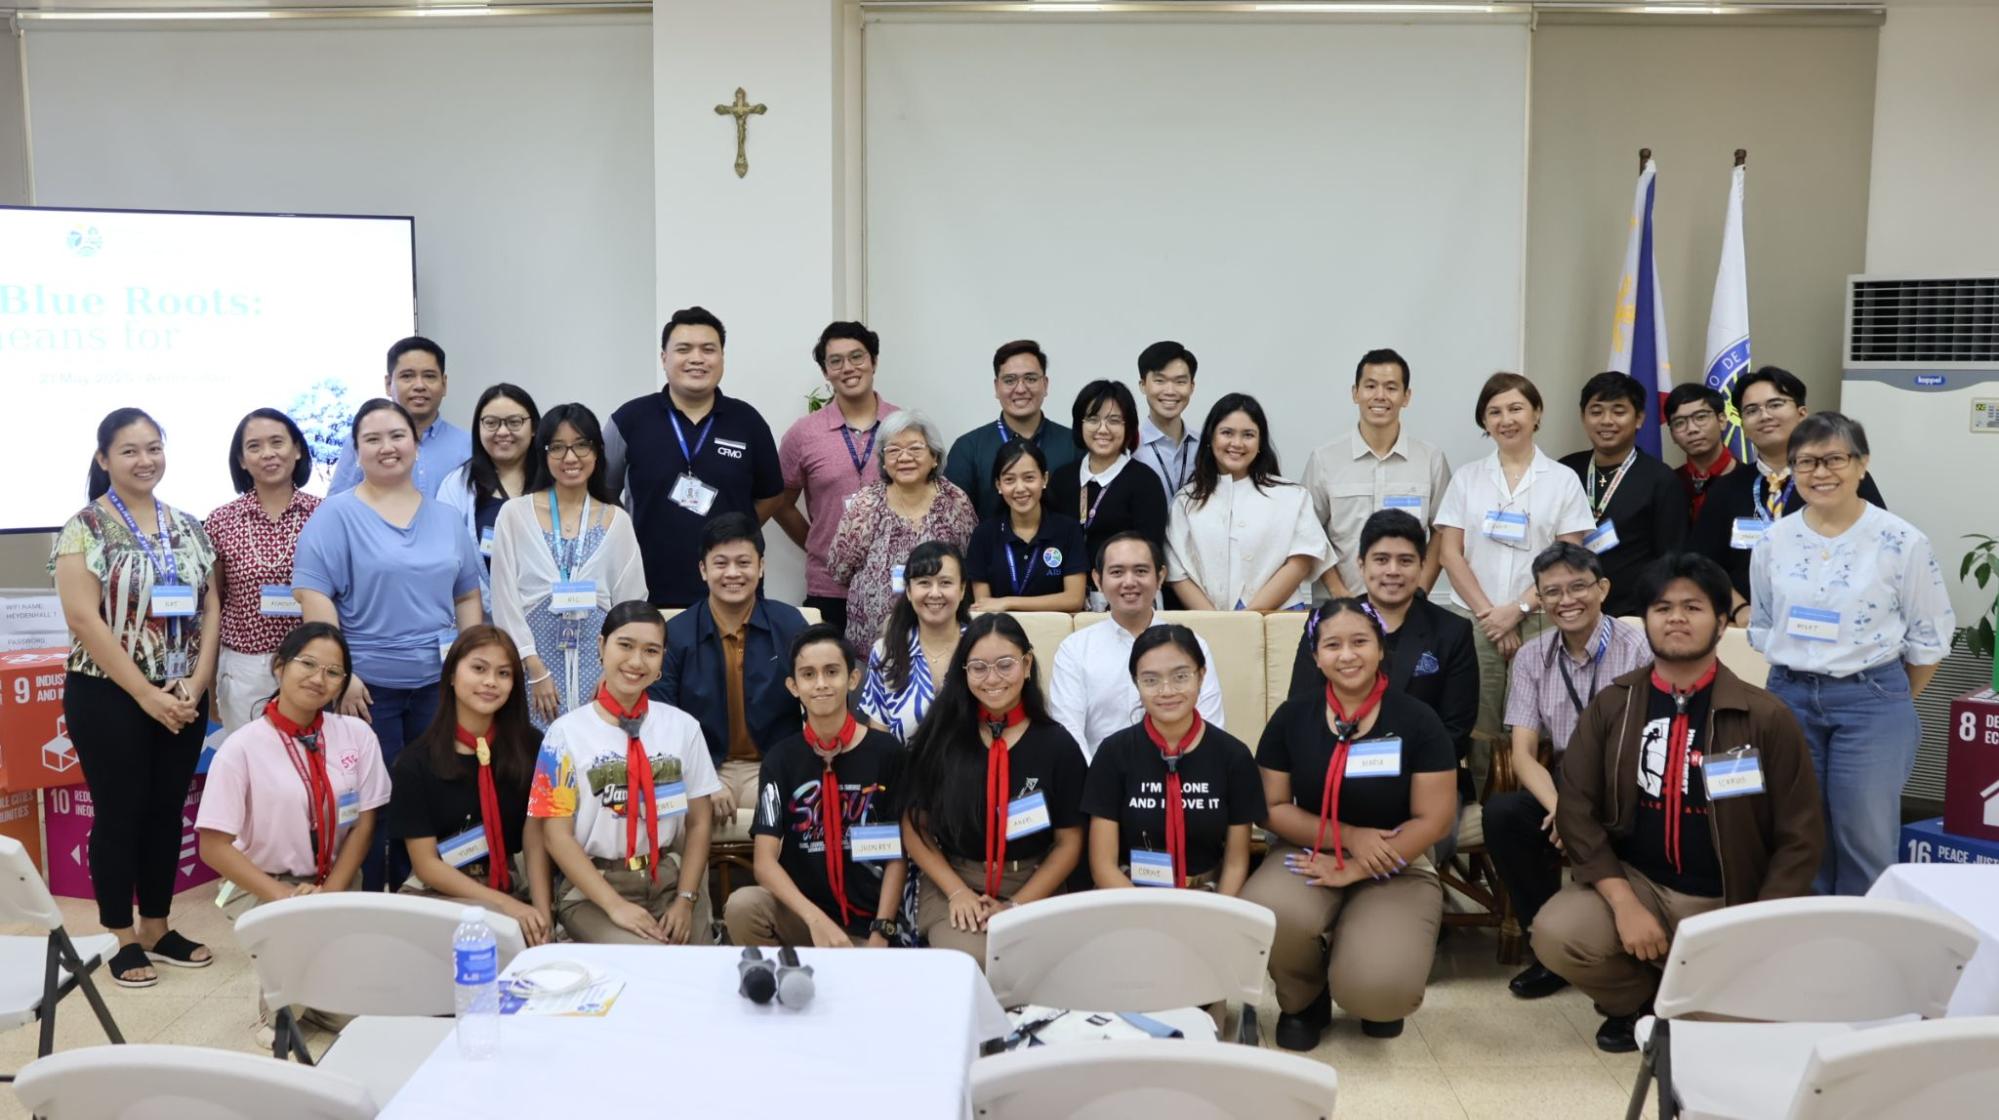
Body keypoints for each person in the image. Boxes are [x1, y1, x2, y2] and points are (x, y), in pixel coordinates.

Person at [1536, 553, 1824, 1052]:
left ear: (1719, 622)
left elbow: (1801, 834)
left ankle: (1692, 1001)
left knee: (1719, 1041)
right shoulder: (1616, 705)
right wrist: (1624, 903)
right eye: (1662, 607)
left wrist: (1756, 924)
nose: (1676, 618)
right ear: (1644, 619)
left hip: (1727, 896)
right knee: (1558, 932)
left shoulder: (1764, 716)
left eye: (1693, 607)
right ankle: (1639, 1003)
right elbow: (1576, 810)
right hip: (1641, 885)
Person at [1750, 412, 1953, 896]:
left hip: (1871, 701)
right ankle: (1817, 944)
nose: (1820, 473)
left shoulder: (1901, 540)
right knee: (1801, 833)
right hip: (1789, 696)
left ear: (1862, 465)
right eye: (1805, 462)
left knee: (1865, 837)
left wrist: (1887, 695)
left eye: (1834, 459)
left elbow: (1930, 637)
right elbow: (1762, 623)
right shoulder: (1773, 540)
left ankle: (1867, 957)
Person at [53, 408, 221, 987]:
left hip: (182, 693)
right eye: (129, 450)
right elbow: (83, 618)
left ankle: (157, 925)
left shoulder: (188, 525)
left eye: (154, 448)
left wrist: (197, 684)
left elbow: (210, 606)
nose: (145, 460)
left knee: (166, 810)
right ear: (104, 459)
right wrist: (146, 693)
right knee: (120, 812)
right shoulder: (85, 528)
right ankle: (120, 936)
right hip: (110, 695)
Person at [1243, 600, 1457, 1048]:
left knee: (1381, 992)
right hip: (1309, 850)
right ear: (1316, 656)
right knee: (1270, 911)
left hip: (1397, 856)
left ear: (1380, 648)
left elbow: (1435, 817)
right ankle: (1304, 998)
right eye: (1332, 644)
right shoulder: (1291, 717)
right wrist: (1351, 838)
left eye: (1360, 641)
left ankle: (1363, 983)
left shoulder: (1418, 720)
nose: (1347, 655)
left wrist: (1361, 863)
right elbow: (1273, 808)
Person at [294, 398, 483, 890]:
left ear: (416, 445)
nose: (387, 447)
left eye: (397, 436)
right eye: (372, 439)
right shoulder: (336, 516)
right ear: (356, 451)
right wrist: (342, 673)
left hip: (438, 686)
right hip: (366, 689)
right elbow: (314, 594)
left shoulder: (444, 518)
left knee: (436, 791)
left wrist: (469, 667)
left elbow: (466, 594)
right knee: (375, 800)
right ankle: (379, 900)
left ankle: (430, 893)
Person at [1482, 542, 1651, 1000]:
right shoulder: (1532, 657)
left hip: (1627, 781)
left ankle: (1630, 944)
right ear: (1538, 597)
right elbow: (1521, 753)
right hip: (1564, 782)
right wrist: (1564, 810)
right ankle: (1548, 949)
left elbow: (1648, 742)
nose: (1566, 600)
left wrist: (1583, 811)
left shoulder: (1639, 647)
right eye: (1551, 591)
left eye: (1578, 587)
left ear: (1603, 589)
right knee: (1504, 814)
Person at [897, 613, 1086, 962]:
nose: (992, 679)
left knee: (1035, 968)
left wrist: (1017, 905)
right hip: (955, 881)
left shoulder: (1057, 745)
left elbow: (1069, 842)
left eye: (1005, 665)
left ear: (1027, 665)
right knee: (977, 964)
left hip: (1033, 884)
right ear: (963, 671)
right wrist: (957, 892)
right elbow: (913, 826)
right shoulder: (942, 737)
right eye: (979, 667)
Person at [529, 601, 721, 943]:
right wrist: (614, 905)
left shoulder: (683, 728)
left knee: (700, 968)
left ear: (663, 660)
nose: (636, 661)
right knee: (647, 962)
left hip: (668, 879)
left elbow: (699, 823)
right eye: (625, 645)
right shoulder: (564, 734)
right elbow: (555, 835)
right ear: (602, 647)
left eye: (651, 650)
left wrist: (685, 899)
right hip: (594, 889)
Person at [1435, 372, 1595, 751]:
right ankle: (1481, 807)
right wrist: (1492, 615)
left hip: (1543, 619)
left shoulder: (1562, 480)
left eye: (1515, 408)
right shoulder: (1467, 478)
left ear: (1536, 414)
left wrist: (1518, 608)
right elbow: (1449, 553)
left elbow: (1568, 559)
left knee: (1542, 722)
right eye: (1494, 412)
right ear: (1484, 422)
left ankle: (1535, 803)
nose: (1505, 419)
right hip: (1476, 620)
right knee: (1478, 722)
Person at [1284, 512, 1477, 827]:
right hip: (1332, 773)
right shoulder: (1326, 624)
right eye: (1381, 559)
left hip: (1420, 782)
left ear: (1422, 565)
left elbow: (1454, 730)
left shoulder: (1452, 632)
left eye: (1405, 561)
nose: (1392, 571)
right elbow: (1301, 708)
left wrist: (1386, 776)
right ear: (1361, 565)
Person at [727, 625, 908, 948]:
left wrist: (882, 929)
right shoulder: (781, 759)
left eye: (832, 672)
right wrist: (815, 921)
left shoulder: (887, 753)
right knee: (744, 907)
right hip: (806, 917)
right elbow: (764, 862)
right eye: (808, 675)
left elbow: (898, 854)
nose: (821, 684)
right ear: (793, 686)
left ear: (852, 679)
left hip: (873, 921)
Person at [604, 306, 785, 608]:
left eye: (708, 349)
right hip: (647, 587)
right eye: (684, 349)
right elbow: (603, 494)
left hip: (731, 589)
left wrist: (736, 528)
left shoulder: (748, 421)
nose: (697, 359)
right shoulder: (629, 420)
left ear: (722, 357)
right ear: (664, 358)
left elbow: (771, 496)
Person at [385, 626, 555, 946]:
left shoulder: (531, 746)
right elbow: (426, 864)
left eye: (503, 673)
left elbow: (534, 841)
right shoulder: (415, 762)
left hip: (509, 884)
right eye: (478, 668)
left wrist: (543, 915)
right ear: (451, 675)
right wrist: (505, 906)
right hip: (437, 895)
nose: (490, 682)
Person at [197, 623, 387, 908]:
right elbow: (213, 847)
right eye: (308, 664)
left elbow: (364, 823)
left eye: (333, 672)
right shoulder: (241, 748)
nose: (318, 679)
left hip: (339, 880)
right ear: (279, 666)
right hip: (263, 885)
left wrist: (331, 892)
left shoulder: (358, 735)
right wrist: (285, 897)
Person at [490, 403, 647, 730]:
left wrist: (611, 676)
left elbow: (632, 604)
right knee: (539, 765)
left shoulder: (616, 520)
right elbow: (504, 600)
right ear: (543, 454)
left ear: (597, 452)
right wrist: (535, 671)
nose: (570, 457)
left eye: (581, 445)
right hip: (533, 668)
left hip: (599, 668)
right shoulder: (514, 515)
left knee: (598, 759)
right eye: (557, 447)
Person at [1689, 366, 1887, 621]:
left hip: (1830, 623)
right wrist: (1738, 608)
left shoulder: (1838, 478)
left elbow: (1879, 549)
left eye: (1775, 404)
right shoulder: (1726, 487)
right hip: (1749, 629)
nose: (1764, 416)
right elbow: (1701, 563)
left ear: (1802, 414)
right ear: (1744, 426)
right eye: (1751, 411)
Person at [1082, 624, 1263, 894]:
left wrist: (1222, 915)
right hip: (1128, 894)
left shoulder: (1233, 756)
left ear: (1201, 676)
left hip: (1207, 894)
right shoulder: (1114, 752)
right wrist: (1155, 915)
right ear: (1136, 683)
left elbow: (1236, 864)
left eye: (1180, 676)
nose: (1166, 691)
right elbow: (1103, 866)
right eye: (1151, 680)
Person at [656, 513, 807, 835]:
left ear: (761, 567)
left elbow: (818, 703)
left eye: (744, 562)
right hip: (702, 766)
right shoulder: (676, 635)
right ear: (703, 569)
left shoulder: (790, 626)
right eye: (721, 563)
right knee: (674, 813)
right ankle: (688, 888)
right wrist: (703, 777)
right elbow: (660, 720)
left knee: (795, 811)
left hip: (772, 764)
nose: (733, 573)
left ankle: (773, 887)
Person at [1049, 532, 1225, 761]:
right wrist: (1101, 783)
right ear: (1097, 580)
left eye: (1141, 571)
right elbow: (1069, 732)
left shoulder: (1192, 645)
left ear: (1160, 577)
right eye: (1117, 572)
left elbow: (1210, 725)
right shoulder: (1074, 649)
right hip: (1099, 784)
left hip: (1181, 783)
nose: (1129, 582)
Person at [775, 321, 901, 632]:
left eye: (857, 357)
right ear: (826, 372)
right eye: (836, 361)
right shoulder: (804, 433)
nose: (848, 368)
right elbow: (780, 502)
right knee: (829, 676)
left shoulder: (903, 425)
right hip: (828, 588)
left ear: (874, 362)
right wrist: (818, 544)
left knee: (894, 676)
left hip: (895, 586)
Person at [1300, 348, 1452, 599]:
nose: (1380, 396)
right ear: (1355, 393)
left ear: (1406, 397)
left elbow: (1442, 532)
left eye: (1391, 388)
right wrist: (1340, 595)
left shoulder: (1430, 459)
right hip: (1338, 607)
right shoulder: (1325, 459)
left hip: (1407, 608)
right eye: (1370, 386)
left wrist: (1420, 591)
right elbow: (1309, 532)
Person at [208, 408, 321, 732]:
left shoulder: (325, 514)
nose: (268, 454)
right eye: (254, 446)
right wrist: (211, 683)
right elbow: (215, 603)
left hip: (311, 661)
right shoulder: (221, 520)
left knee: (307, 764)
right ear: (242, 460)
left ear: (297, 449)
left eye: (277, 442)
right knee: (251, 767)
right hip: (244, 665)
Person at [827, 410, 977, 652]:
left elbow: (969, 566)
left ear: (935, 456)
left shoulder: (954, 502)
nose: (904, 457)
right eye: (894, 450)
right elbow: (839, 568)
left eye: (915, 449)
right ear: (884, 461)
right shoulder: (866, 503)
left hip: (943, 643)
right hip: (872, 644)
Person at [1166, 393, 1332, 611]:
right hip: (1209, 622)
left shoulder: (1292, 496)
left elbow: (1301, 561)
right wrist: (1216, 623)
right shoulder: (1186, 501)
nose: (1237, 443)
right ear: (1210, 438)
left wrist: (1249, 618)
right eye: (1227, 433)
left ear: (1260, 441)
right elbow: (1177, 571)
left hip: (1279, 615)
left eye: (1248, 435)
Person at [1558, 372, 1688, 619]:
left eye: (1619, 411)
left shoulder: (1661, 479)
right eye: (1596, 411)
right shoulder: (1565, 471)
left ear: (1639, 418)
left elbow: (1671, 560)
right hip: (1568, 610)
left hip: (1631, 615)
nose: (1606, 421)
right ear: (1583, 418)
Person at [1045, 379, 1168, 608]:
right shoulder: (1062, 479)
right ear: (1079, 425)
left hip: (1128, 600)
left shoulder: (1145, 482)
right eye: (1093, 419)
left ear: (1128, 427)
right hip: (1067, 602)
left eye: (1114, 421)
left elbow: (1150, 553)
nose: (1103, 429)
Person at [943, 340, 1078, 522]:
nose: (1021, 389)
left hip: (1062, 549)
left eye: (1030, 379)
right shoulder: (968, 449)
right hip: (988, 550)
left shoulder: (1074, 444)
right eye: (1010, 380)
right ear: (996, 387)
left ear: (1045, 384)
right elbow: (955, 522)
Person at [328, 336, 471, 499]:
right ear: (389, 384)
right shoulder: (361, 443)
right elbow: (337, 504)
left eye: (429, 376)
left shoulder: (469, 446)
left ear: (444, 384)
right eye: (407, 376)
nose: (419, 386)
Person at [437, 384, 540, 607]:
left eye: (514, 422)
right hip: (484, 617)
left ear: (533, 427)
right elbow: (446, 555)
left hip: (546, 615)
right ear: (478, 428)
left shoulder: (551, 480)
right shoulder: (457, 484)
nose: (502, 432)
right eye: (491, 423)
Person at [859, 540, 971, 744]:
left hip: (974, 772)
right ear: (909, 591)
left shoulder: (980, 646)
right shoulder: (885, 652)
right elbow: (879, 738)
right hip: (904, 772)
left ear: (962, 589)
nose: (935, 593)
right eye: (924, 583)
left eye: (946, 582)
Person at [965, 441, 1088, 613]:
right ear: (998, 485)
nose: (1020, 488)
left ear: (1044, 479)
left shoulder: (1068, 530)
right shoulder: (983, 534)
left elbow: (1074, 599)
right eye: (1009, 480)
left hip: (1055, 633)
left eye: (1029, 478)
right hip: (1000, 633)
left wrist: (1008, 602)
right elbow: (983, 605)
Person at [1134, 340, 1201, 510]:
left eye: (1180, 382)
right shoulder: (1129, 448)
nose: (1170, 391)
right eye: (1160, 380)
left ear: (1192, 387)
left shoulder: (1206, 447)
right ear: (1143, 385)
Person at [1663, 383, 1738, 523]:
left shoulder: (1750, 480)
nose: (1692, 429)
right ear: (1672, 435)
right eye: (1679, 423)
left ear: (1721, 420)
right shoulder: (1667, 484)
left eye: (1701, 417)